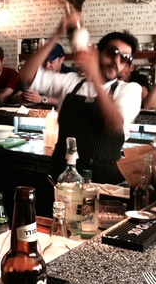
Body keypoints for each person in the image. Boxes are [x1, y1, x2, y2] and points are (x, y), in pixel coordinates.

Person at [19, 11, 142, 185]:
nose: (117, 60)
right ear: (98, 52)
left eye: (125, 58)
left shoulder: (129, 90)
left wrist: (95, 76)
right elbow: (26, 75)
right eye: (113, 52)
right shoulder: (71, 82)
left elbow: (114, 125)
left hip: (103, 185)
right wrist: (57, 34)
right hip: (62, 179)